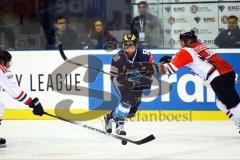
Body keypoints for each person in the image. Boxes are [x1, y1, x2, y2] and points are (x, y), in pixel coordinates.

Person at [144, 30, 240, 127]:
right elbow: (191, 57)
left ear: (188, 41)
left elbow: (170, 69)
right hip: (226, 72)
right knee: (221, 103)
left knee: (233, 105)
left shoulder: (186, 51)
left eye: (181, 40)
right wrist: (172, 58)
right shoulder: (199, 45)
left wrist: (152, 70)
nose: (180, 42)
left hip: (219, 78)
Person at [103, 34, 154, 135]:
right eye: (126, 45)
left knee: (132, 110)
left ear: (136, 45)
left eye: (131, 46)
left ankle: (110, 117)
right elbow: (114, 76)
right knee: (128, 99)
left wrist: (146, 82)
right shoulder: (117, 58)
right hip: (120, 80)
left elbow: (150, 71)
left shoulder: (145, 55)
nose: (129, 49)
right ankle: (119, 125)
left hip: (137, 80)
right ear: (123, 46)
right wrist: (123, 77)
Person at [0, 50, 44, 147]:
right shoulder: (1, 69)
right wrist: (31, 103)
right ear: (2, 61)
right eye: (8, 61)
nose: (9, 64)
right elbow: (14, 91)